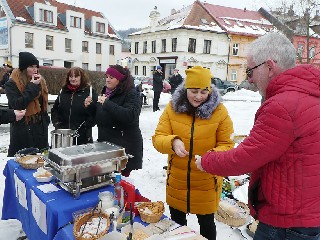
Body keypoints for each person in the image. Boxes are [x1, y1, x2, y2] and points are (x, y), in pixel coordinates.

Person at [195, 32, 320, 240]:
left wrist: (206, 161)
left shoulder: (282, 106)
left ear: (270, 67)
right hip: (307, 215)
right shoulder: (309, 94)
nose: (249, 79)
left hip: (286, 225)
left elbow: (244, 159)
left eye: (251, 70)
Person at [152, 66, 234, 240]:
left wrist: (210, 158)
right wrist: (172, 142)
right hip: (177, 183)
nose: (199, 96)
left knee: (207, 226)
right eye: (194, 91)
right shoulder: (172, 108)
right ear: (186, 89)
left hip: (206, 182)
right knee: (178, 228)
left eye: (204, 91)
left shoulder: (219, 112)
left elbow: (227, 144)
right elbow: (158, 138)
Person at [96, 64, 143, 177]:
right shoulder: (106, 93)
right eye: (107, 76)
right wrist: (89, 107)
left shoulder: (132, 94)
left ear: (120, 79)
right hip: (107, 145)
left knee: (120, 182)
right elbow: (98, 118)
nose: (107, 79)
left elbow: (129, 115)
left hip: (124, 146)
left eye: (111, 77)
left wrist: (107, 103)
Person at [5, 52, 50, 157]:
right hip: (23, 129)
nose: (35, 69)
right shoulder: (12, 84)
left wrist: (45, 121)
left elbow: (42, 105)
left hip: (40, 130)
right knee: (23, 163)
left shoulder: (40, 81)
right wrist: (32, 86)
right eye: (31, 66)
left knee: (41, 163)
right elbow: (18, 104)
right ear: (24, 68)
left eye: (36, 67)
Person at [51, 67, 98, 145]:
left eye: (76, 76)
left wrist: (86, 125)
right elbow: (55, 109)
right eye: (71, 76)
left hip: (82, 137)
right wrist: (57, 123)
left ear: (81, 77)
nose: (73, 79)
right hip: (64, 136)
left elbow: (95, 113)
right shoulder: (63, 91)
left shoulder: (89, 91)